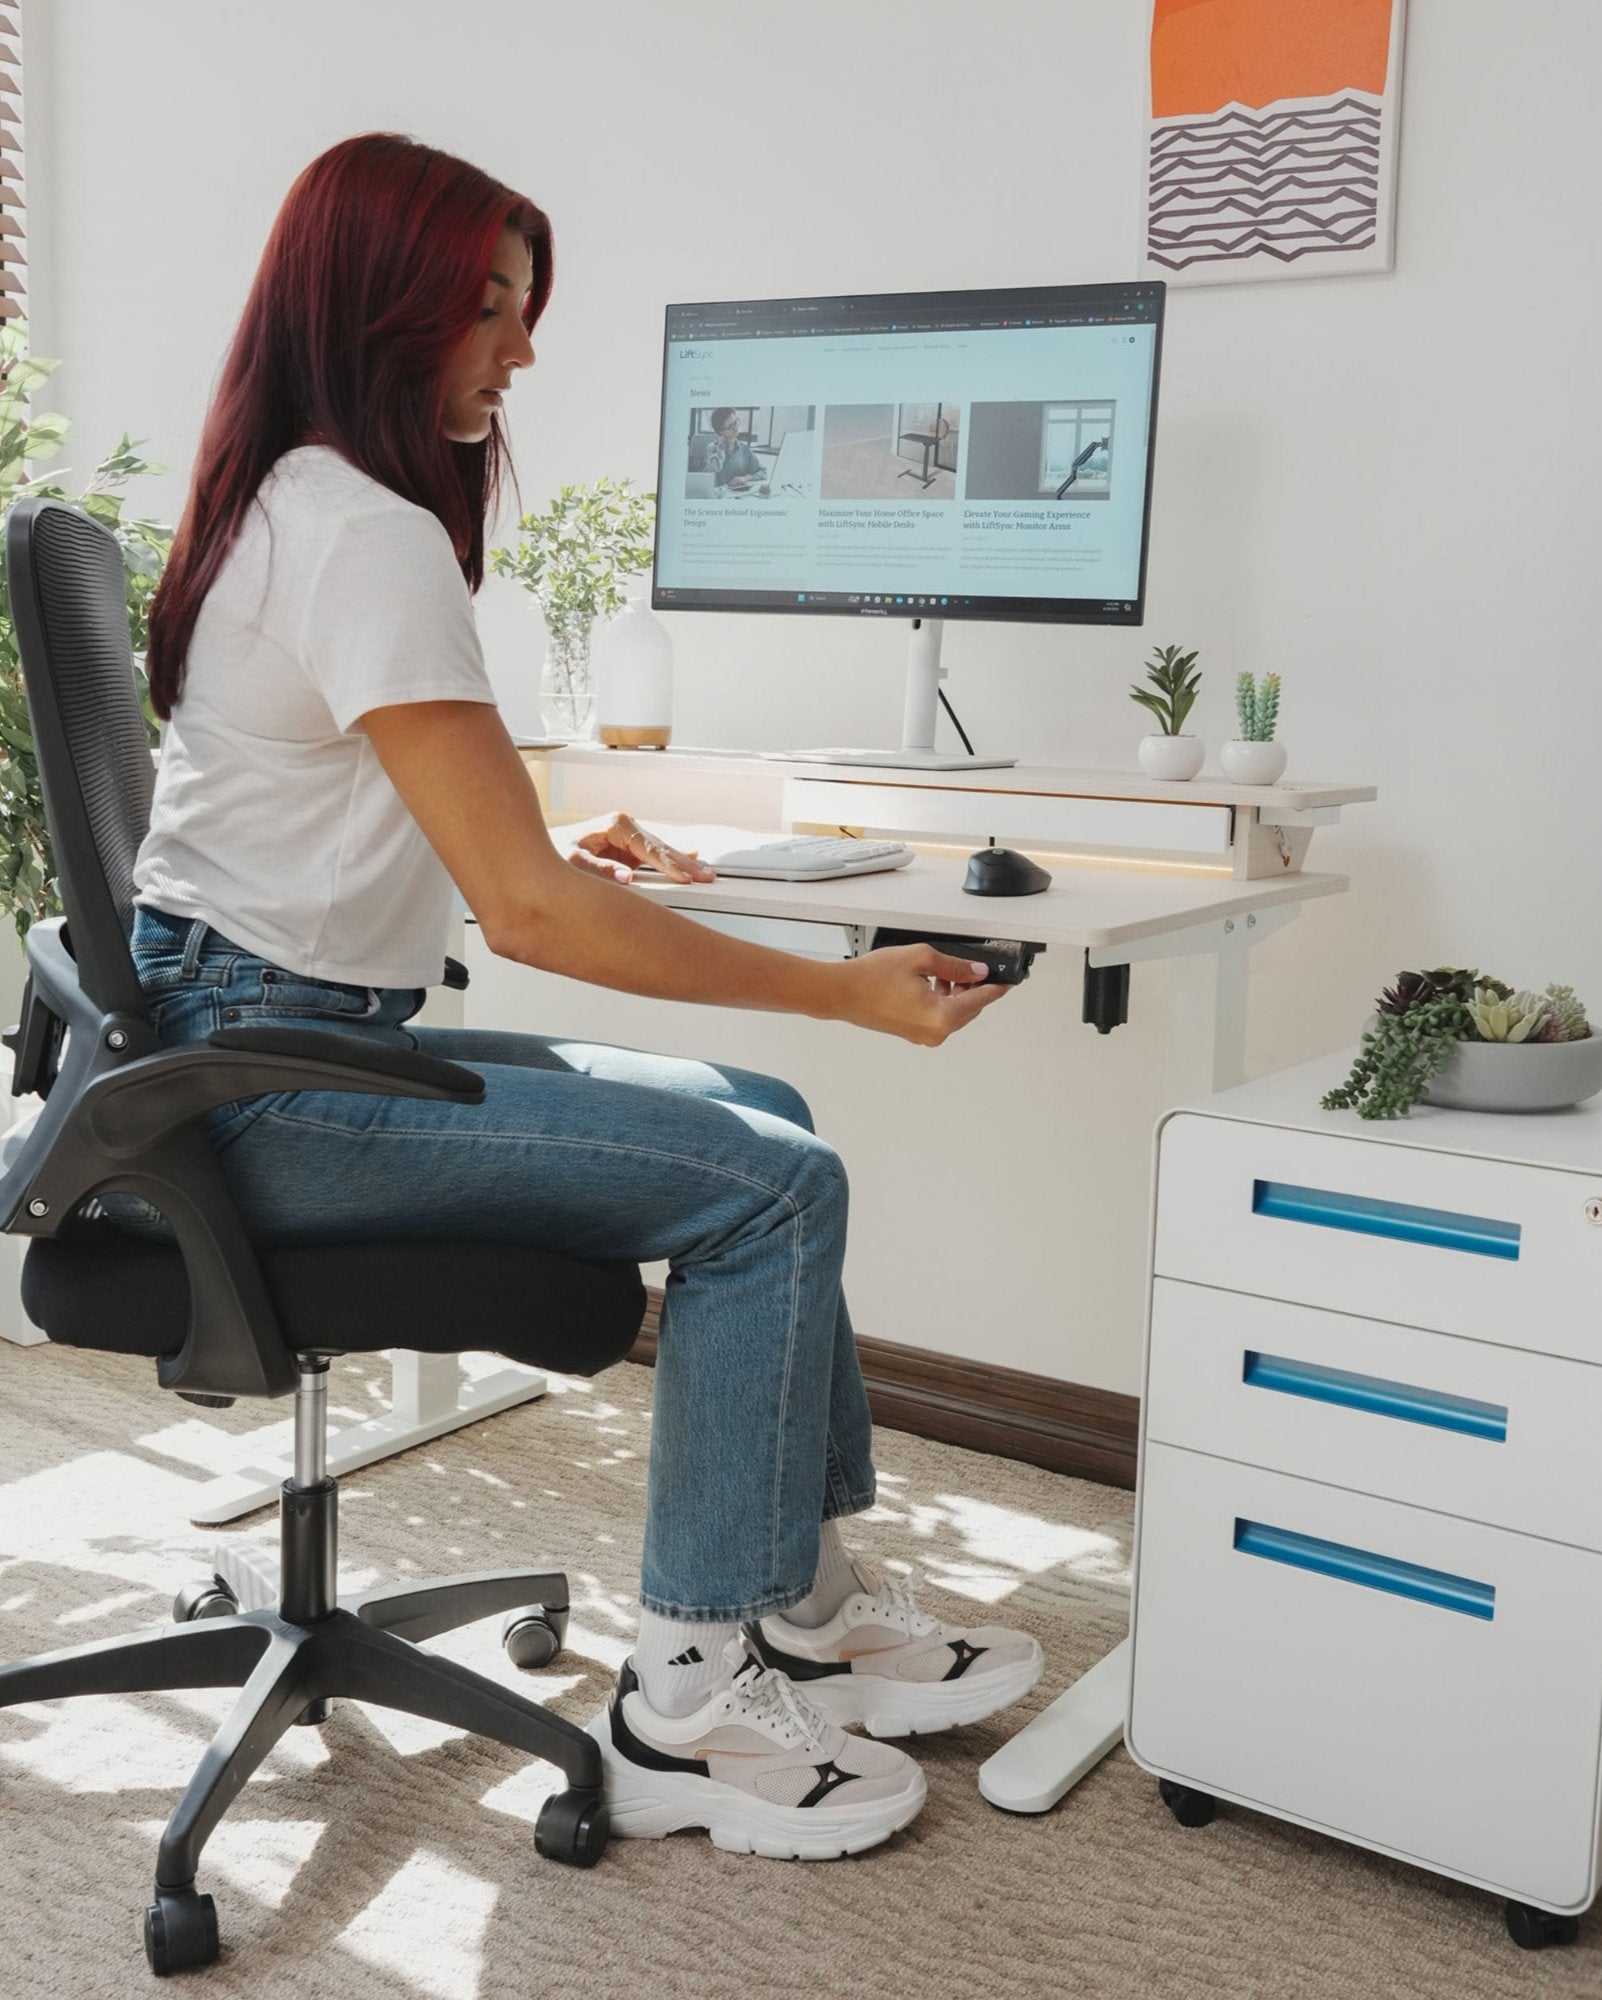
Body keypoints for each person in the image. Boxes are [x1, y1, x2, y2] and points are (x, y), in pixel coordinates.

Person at [133, 133, 1041, 1862]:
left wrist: (552, 841)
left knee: (756, 1128)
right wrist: (842, 994)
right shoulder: (361, 531)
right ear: (377, 305)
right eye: (489, 309)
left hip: (239, 1029)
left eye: (523, 309)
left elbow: (381, 820)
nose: (522, 351)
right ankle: (687, 1696)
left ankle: (799, 1600)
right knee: (779, 1180)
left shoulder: (294, 500)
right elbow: (530, 918)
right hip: (261, 1075)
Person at [702, 405, 762, 491]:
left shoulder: (745, 449)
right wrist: (721, 447)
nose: (736, 428)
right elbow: (715, 468)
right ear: (720, 431)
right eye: (730, 427)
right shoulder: (712, 448)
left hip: (738, 496)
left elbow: (763, 472)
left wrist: (745, 478)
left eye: (735, 422)